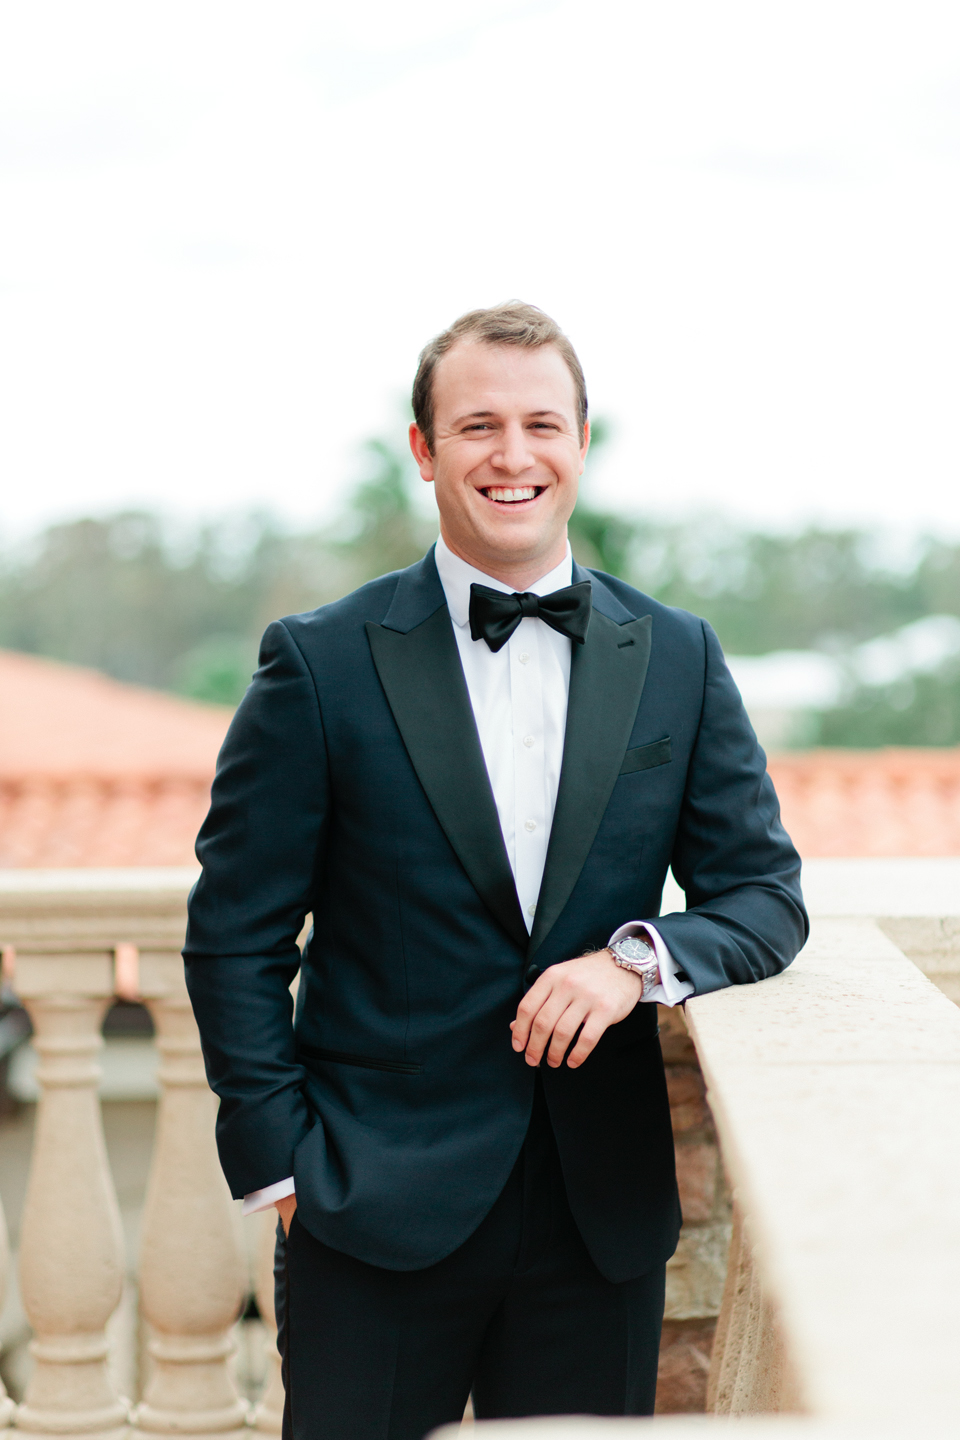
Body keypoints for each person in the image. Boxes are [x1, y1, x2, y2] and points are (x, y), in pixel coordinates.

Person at [184, 301, 807, 1440]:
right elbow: (234, 932)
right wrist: (278, 1170)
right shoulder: (318, 663)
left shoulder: (679, 655)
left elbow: (765, 899)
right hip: (367, 1207)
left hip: (595, 1215)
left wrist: (638, 961)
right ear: (423, 451)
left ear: (580, 441)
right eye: (477, 427)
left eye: (540, 425)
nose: (511, 457)